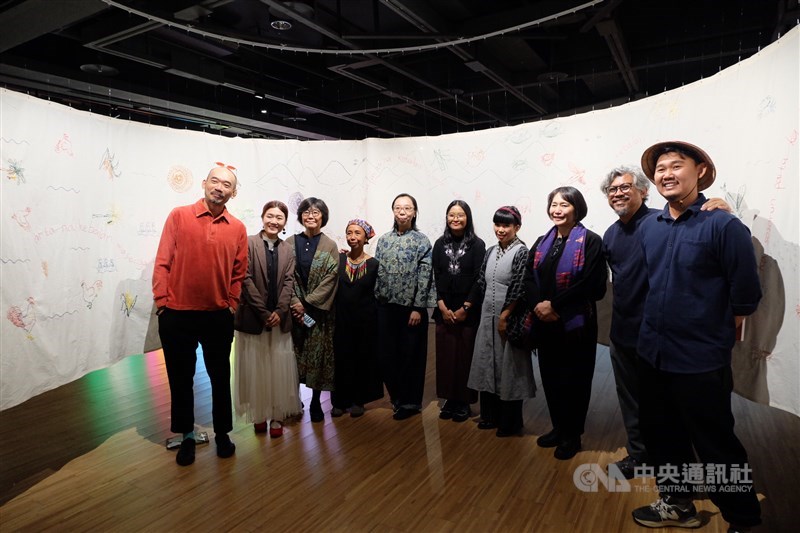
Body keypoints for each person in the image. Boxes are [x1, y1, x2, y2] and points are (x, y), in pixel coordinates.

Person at [631, 141, 762, 531]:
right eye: (660, 169)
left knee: (716, 444)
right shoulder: (649, 227)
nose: (667, 174)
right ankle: (677, 502)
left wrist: (710, 328)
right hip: (652, 354)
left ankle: (743, 520)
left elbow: (746, 296)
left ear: (700, 170)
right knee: (662, 436)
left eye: (676, 165)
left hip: (701, 360)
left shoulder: (723, 225)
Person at [600, 166, 731, 478]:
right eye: (613, 190)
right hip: (622, 332)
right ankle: (640, 456)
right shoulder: (610, 234)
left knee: (671, 410)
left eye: (625, 187)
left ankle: (681, 471)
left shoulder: (661, 223)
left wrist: (720, 209)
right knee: (631, 402)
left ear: (644, 191)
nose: (618, 193)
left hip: (660, 337)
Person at [152, 163, 247, 466]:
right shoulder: (179, 216)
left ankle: (222, 433)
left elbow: (239, 272)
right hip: (177, 314)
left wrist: (231, 304)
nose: (220, 188)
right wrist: (162, 302)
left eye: (227, 184)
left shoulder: (237, 228)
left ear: (233, 193)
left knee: (220, 378)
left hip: (217, 315)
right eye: (215, 181)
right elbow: (163, 261)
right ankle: (187, 436)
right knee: (181, 380)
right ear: (204, 183)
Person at [524, 187, 607, 460]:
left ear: (577, 208)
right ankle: (558, 428)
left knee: (575, 381)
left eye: (564, 204)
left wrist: (555, 306)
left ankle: (572, 435)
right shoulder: (542, 241)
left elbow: (592, 285)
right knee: (551, 378)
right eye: (554, 204)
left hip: (576, 325)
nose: (557, 210)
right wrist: (539, 306)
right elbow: (528, 277)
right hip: (545, 323)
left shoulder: (591, 241)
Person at [233, 200, 300, 439]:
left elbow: (289, 282)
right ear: (262, 217)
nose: (274, 221)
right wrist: (263, 312)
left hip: (279, 320)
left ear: (285, 222)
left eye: (279, 217)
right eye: (270, 216)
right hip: (254, 318)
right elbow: (245, 278)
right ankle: (259, 414)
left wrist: (280, 311)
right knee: (256, 367)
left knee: (278, 367)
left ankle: (277, 414)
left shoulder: (287, 249)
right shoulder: (248, 243)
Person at [467, 206, 535, 437]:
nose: (501, 229)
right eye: (498, 224)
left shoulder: (522, 252)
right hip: (487, 317)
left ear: (517, 227)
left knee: (509, 368)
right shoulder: (490, 251)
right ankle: (489, 416)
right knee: (487, 363)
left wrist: (505, 316)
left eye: (506, 225)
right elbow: (482, 282)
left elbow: (519, 286)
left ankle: (510, 422)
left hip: (509, 319)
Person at [374, 193, 436, 421]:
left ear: (414, 212)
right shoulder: (383, 240)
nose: (402, 211)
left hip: (411, 310)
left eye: (408, 208)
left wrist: (418, 308)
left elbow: (425, 276)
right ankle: (396, 397)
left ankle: (410, 402)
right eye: (398, 207)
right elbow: (378, 272)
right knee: (386, 355)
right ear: (393, 211)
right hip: (385, 307)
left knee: (411, 355)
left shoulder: (422, 241)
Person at [285, 197, 339, 423]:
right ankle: (294, 400)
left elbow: (331, 277)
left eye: (316, 212)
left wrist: (306, 303)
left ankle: (316, 401)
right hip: (294, 311)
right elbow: (285, 276)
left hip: (318, 312)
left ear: (323, 217)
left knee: (317, 356)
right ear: (300, 216)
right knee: (293, 356)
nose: (311, 216)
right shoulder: (289, 242)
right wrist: (294, 302)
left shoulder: (330, 245)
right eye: (306, 212)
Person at [432, 200, 486, 422]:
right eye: (451, 215)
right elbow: (435, 275)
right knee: (445, 357)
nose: (455, 219)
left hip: (467, 312)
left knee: (465, 357)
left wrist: (466, 307)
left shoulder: (477, 245)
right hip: (443, 310)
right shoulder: (439, 244)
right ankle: (449, 400)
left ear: (468, 218)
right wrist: (441, 305)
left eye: (460, 215)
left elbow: (479, 278)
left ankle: (464, 401)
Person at [330, 219, 384, 417]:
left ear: (366, 237)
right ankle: (339, 401)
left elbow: (378, 293)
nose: (352, 237)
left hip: (365, 321)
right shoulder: (339, 259)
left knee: (362, 359)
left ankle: (358, 400)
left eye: (357, 233)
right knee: (341, 358)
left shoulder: (374, 264)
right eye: (349, 233)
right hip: (341, 319)